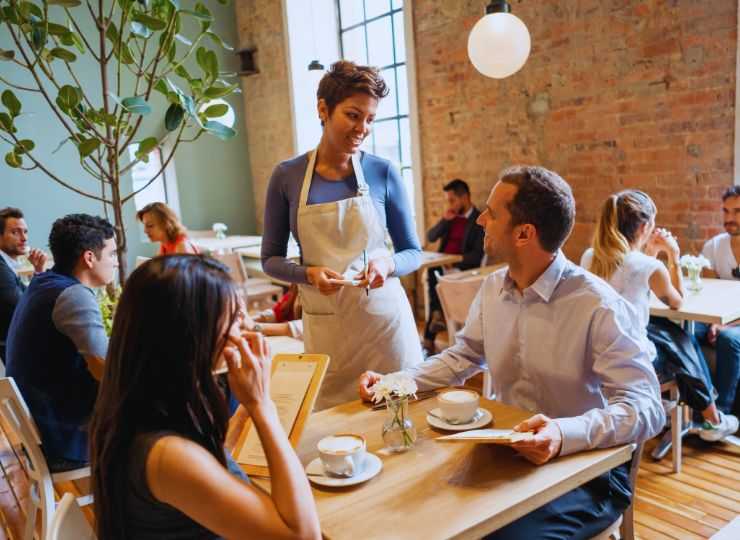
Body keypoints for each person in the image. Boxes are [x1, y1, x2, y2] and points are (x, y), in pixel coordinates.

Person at [359, 166, 664, 539]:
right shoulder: (491, 289)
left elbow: (647, 408)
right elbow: (461, 357)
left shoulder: (598, 305)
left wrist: (562, 433)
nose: (481, 220)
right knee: (408, 511)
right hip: (505, 456)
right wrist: (394, 384)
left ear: (524, 233)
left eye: (492, 213)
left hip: (585, 472)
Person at [90, 255, 321, 540]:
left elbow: (220, 452)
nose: (245, 329)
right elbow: (303, 534)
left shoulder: (140, 402)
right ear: (192, 333)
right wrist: (262, 406)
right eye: (235, 318)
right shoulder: (167, 455)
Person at [261, 60, 423, 410]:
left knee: (400, 430)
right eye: (353, 115)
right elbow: (270, 259)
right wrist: (307, 274)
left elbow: (413, 251)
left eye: (370, 119)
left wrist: (387, 264)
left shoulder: (382, 172)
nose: (362, 128)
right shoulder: (287, 177)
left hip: (386, 331)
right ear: (323, 108)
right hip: (327, 336)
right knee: (335, 437)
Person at [581, 190, 738, 441]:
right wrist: (672, 256)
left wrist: (650, 254)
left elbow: (631, 285)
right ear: (644, 227)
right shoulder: (648, 266)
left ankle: (702, 414)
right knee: (679, 341)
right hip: (631, 360)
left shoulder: (590, 257)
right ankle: (711, 417)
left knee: (669, 332)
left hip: (594, 354)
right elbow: (678, 301)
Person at [5, 214, 115, 471]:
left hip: (45, 427)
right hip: (67, 438)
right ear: (89, 258)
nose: (115, 262)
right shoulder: (73, 295)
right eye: (111, 254)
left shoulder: (44, 281)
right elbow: (104, 370)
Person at [423, 179, 484, 353]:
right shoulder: (450, 218)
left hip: (462, 269)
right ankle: (437, 317)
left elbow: (477, 255)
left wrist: (455, 260)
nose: (449, 204)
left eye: (452, 200)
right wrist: (444, 220)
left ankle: (429, 337)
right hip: (442, 267)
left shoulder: (478, 221)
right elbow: (431, 237)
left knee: (434, 274)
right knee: (433, 269)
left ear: (464, 198)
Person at [697, 185, 740, 415]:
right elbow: (706, 295)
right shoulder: (714, 246)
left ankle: (719, 415)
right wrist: (714, 321)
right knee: (685, 330)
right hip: (718, 318)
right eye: (726, 211)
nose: (730, 218)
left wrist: (725, 325)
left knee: (730, 339)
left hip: (733, 325)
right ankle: (701, 401)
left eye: (737, 212)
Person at [0, 207, 47, 360]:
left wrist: (38, 271)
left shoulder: (7, 265)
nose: (24, 238)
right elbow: (25, 306)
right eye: (15, 232)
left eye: (25, 232)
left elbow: (28, 298)